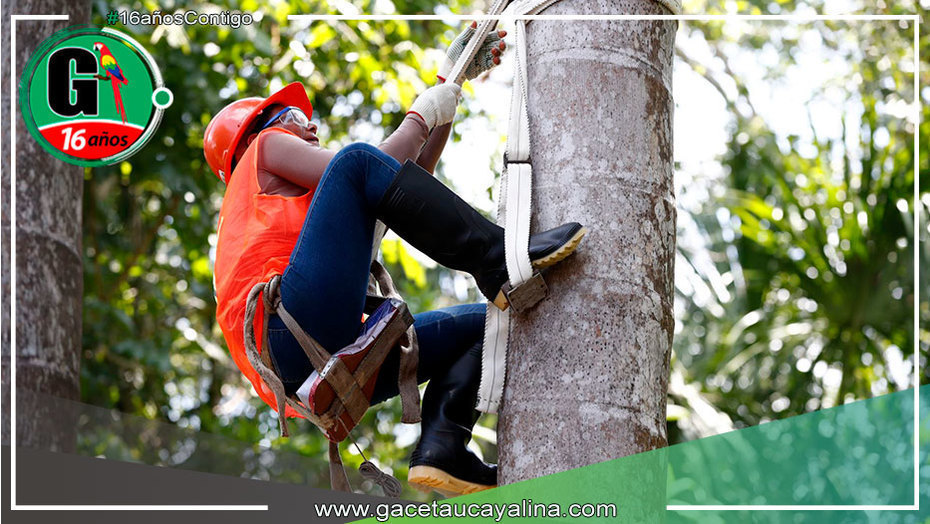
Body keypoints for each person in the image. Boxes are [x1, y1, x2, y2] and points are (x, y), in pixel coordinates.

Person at [203, 24, 586, 496]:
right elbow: (365, 163)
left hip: (317, 365)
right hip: (293, 333)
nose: (310, 125)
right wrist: (420, 114)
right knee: (354, 162)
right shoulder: (260, 151)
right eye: (292, 116)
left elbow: (403, 183)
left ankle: (444, 449)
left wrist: (451, 84)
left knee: (487, 326)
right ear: (257, 135)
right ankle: (496, 259)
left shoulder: (292, 223)